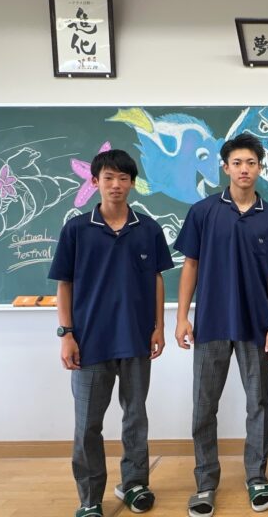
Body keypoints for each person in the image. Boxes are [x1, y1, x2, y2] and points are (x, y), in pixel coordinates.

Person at [49, 149, 174, 517]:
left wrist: (159, 328)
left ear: (132, 183)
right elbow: (64, 284)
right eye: (108, 178)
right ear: (95, 182)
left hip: (136, 339)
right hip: (89, 343)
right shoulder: (76, 229)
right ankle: (90, 498)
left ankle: (134, 484)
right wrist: (66, 334)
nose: (116, 185)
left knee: (135, 417)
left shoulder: (147, 228)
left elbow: (157, 279)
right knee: (88, 424)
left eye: (123, 178)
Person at [174, 132, 268, 516]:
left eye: (251, 163)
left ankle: (256, 477)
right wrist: (181, 317)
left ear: (260, 168)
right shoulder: (203, 212)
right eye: (237, 163)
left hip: (256, 327)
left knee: (258, 404)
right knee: (203, 406)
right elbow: (190, 265)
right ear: (225, 167)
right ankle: (205, 483)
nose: (244, 169)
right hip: (210, 325)